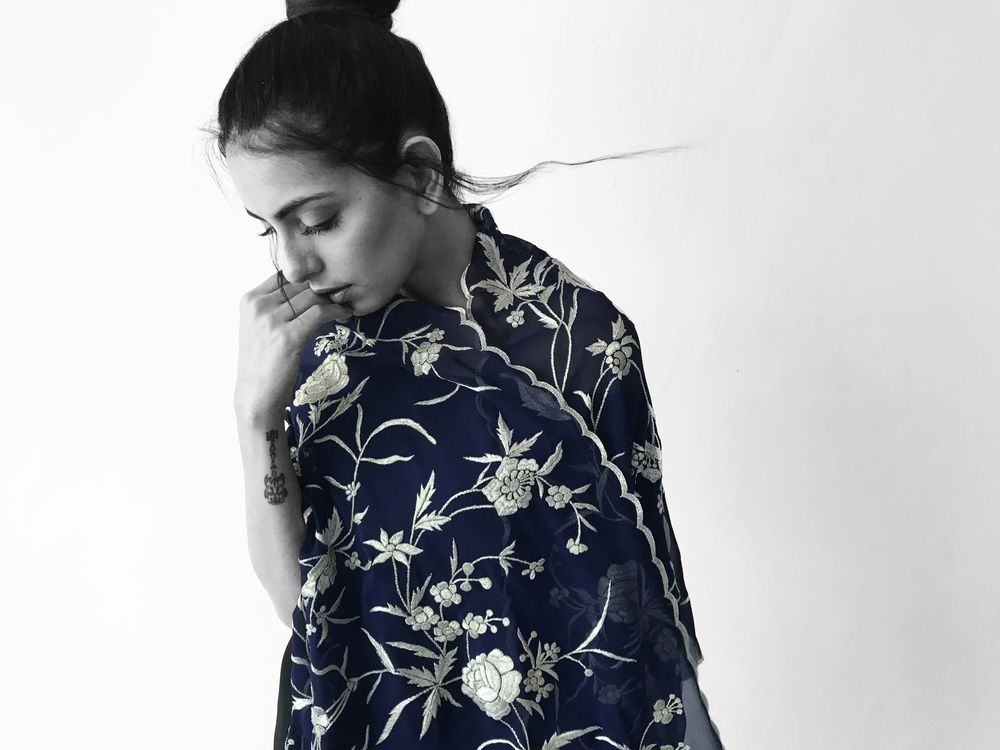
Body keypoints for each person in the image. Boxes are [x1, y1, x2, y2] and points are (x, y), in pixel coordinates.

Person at [209, 2, 727, 748]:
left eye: (317, 221)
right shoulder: (312, 354)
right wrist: (254, 414)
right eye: (270, 229)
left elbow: (649, 629)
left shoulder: (577, 343)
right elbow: (301, 609)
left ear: (421, 176)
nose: (293, 264)